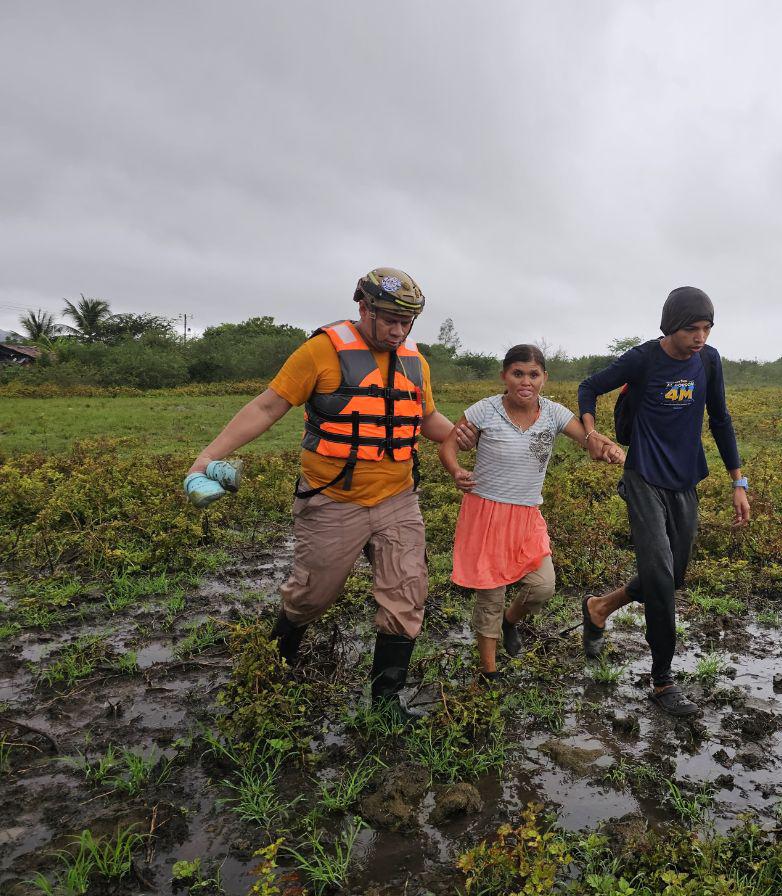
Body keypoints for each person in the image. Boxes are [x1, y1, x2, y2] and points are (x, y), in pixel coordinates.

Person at [185, 267, 464, 715]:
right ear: (363, 308)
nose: (397, 330)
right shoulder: (321, 352)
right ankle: (275, 665)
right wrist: (206, 457)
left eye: (406, 321)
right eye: (389, 319)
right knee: (311, 596)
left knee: (407, 595)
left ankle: (385, 703)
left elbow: (427, 418)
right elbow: (267, 405)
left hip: (398, 500)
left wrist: (468, 438)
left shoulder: (415, 361)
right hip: (332, 499)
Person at [576, 286, 750, 717]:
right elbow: (589, 387)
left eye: (707, 328)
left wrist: (738, 483)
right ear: (671, 326)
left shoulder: (709, 361)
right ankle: (663, 681)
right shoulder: (643, 359)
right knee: (657, 573)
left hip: (685, 479)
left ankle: (599, 607)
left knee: (671, 577)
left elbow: (721, 419)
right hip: (643, 476)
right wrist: (592, 432)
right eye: (693, 328)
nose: (701, 337)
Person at [439, 344, 624, 680]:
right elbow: (448, 444)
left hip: (526, 516)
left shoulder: (553, 413)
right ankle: (489, 672)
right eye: (518, 373)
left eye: (533, 374)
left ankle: (510, 622)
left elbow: (587, 440)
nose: (526, 381)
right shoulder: (485, 410)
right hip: (487, 514)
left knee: (542, 587)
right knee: (490, 598)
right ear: (504, 376)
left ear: (544, 378)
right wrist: (456, 471)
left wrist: (607, 447)